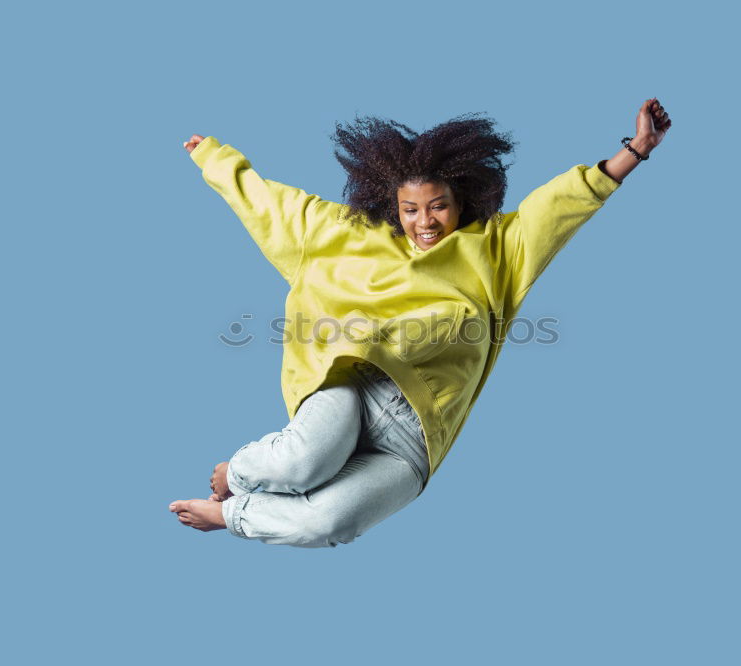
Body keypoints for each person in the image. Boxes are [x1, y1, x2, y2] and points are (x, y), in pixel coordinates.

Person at [169, 99, 672, 547]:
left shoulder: (498, 252)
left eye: (438, 206)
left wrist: (636, 149)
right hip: (354, 383)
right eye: (410, 209)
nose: (425, 221)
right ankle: (236, 471)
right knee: (303, 465)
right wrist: (213, 156)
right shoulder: (343, 234)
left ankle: (231, 513)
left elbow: (556, 209)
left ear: (461, 201)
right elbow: (270, 206)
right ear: (392, 205)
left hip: (417, 439)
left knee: (329, 525)